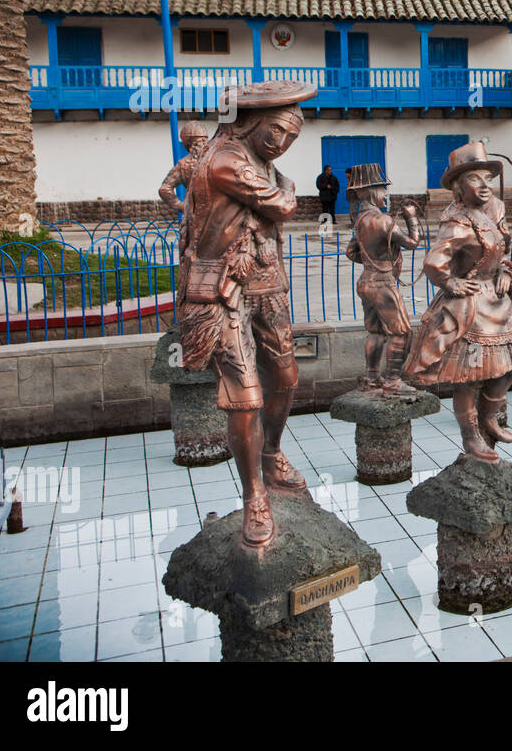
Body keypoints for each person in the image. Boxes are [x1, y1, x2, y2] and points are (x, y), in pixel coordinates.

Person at [176, 80, 315, 552]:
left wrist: (279, 181)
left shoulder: (260, 161)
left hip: (268, 284)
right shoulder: (226, 159)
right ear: (251, 123)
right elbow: (286, 204)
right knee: (245, 398)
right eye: (276, 132)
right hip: (225, 292)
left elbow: (279, 207)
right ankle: (254, 492)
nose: (282, 144)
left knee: (288, 375)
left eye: (291, 138)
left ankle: (272, 452)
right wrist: (285, 187)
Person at [403, 142, 512, 463]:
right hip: (471, 304)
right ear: (459, 187)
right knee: (469, 376)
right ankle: (471, 437)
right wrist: (450, 282)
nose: (484, 185)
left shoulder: (494, 210)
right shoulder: (457, 222)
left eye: (486, 178)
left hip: (497, 298)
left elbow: (498, 251)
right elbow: (434, 262)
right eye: (475, 179)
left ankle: (491, 412)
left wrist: (505, 270)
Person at [344, 163, 422, 398]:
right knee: (402, 333)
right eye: (382, 190)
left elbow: (351, 252)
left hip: (365, 282)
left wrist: (373, 261)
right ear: (371, 192)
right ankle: (392, 382)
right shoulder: (383, 220)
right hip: (382, 285)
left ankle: (371, 377)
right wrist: (412, 219)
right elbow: (412, 242)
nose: (385, 195)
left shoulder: (360, 220)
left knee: (376, 332)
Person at [157, 122, 209, 213]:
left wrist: (182, 207)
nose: (203, 143)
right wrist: (182, 207)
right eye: (201, 140)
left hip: (202, 213)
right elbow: (164, 189)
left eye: (204, 140)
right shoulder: (184, 165)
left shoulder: (183, 164)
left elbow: (164, 189)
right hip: (206, 214)